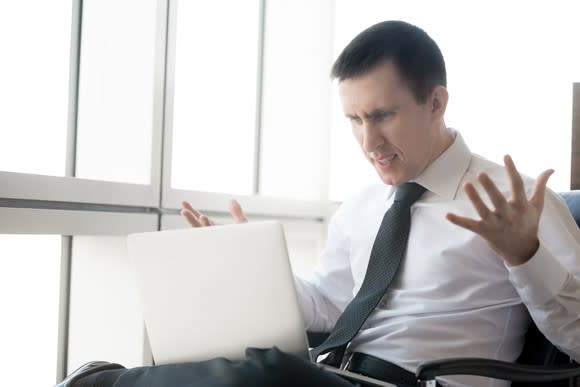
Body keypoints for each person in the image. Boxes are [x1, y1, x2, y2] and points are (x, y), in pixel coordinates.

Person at [60, 20, 580, 387]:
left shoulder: (517, 203)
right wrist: (243, 265)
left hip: (420, 384)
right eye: (354, 120)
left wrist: (525, 253)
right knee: (264, 363)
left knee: (272, 373)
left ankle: (99, 385)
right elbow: (331, 308)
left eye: (381, 115)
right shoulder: (363, 206)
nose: (368, 141)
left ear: (436, 102)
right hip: (334, 372)